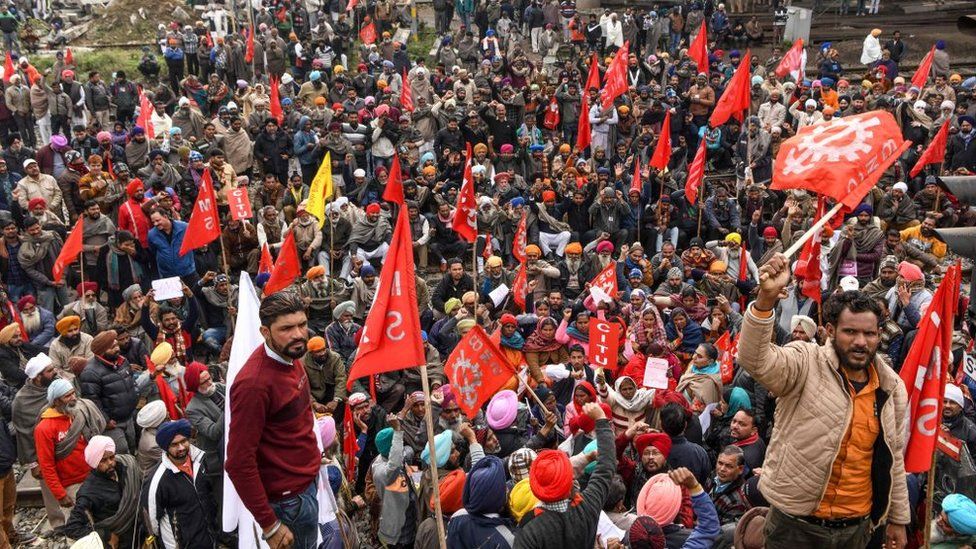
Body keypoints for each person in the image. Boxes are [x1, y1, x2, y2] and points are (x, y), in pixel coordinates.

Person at [738, 252, 909, 548]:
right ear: (829, 331)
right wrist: (765, 302)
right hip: (794, 526)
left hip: (857, 528)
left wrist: (898, 518)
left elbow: (893, 459)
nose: (860, 341)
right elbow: (755, 359)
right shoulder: (806, 362)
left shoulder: (892, 388)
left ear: (879, 335)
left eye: (869, 333)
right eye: (850, 331)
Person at [226, 291, 320, 549]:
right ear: (265, 332)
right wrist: (270, 524)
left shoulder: (292, 354)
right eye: (286, 328)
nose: (299, 334)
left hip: (306, 485)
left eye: (302, 324)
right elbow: (237, 462)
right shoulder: (253, 385)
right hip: (288, 504)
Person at [513, 402, 616, 547]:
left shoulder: (529, 530)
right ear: (571, 480)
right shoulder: (588, 505)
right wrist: (601, 419)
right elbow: (606, 466)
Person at [142, 419, 218, 548]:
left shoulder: (200, 460)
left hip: (210, 539)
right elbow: (152, 523)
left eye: (183, 441)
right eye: (175, 444)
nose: (181, 447)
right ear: (166, 447)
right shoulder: (157, 480)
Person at [64, 435, 142, 547]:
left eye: (112, 457)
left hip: (138, 532)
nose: (110, 462)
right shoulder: (88, 492)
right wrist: (105, 535)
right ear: (95, 462)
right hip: (119, 541)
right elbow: (72, 528)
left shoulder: (125, 467)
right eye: (103, 460)